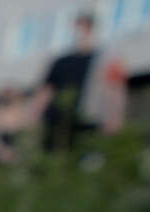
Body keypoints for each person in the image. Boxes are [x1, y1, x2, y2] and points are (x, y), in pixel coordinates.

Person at [38, 13, 99, 154]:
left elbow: (112, 91)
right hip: (57, 120)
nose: (79, 34)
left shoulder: (101, 61)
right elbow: (46, 90)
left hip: (85, 120)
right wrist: (34, 115)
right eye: (77, 29)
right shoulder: (61, 61)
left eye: (84, 29)